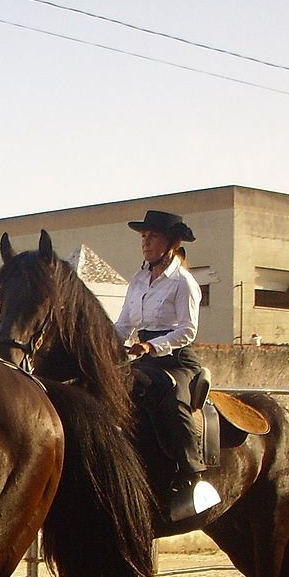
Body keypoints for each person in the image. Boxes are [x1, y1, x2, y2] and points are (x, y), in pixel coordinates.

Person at [113, 210, 219, 520]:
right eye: (143, 236)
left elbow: (188, 330)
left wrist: (151, 345)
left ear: (170, 243)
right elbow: (123, 325)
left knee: (173, 401)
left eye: (152, 236)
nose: (145, 241)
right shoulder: (137, 279)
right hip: (144, 360)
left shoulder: (184, 282)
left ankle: (192, 475)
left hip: (177, 360)